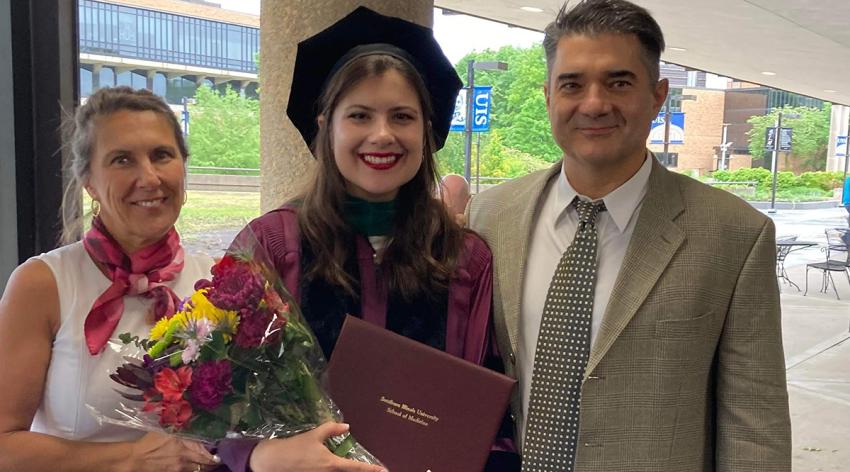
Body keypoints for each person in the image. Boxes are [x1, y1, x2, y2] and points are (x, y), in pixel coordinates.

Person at [467, 1, 791, 471]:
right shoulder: (490, 215)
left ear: (658, 96)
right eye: (572, 84)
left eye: (619, 82)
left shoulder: (735, 235)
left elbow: (754, 425)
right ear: (548, 97)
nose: (594, 103)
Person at [231, 6, 513, 472]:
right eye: (359, 115)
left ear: (427, 131)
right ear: (325, 126)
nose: (382, 135)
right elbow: (223, 397)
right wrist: (259, 456)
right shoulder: (272, 244)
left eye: (402, 116)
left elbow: (484, 409)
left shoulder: (465, 259)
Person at [0, 87, 221, 471]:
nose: (149, 178)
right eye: (122, 160)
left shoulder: (219, 281)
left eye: (162, 155)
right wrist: (131, 459)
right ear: (89, 182)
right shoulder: (44, 284)